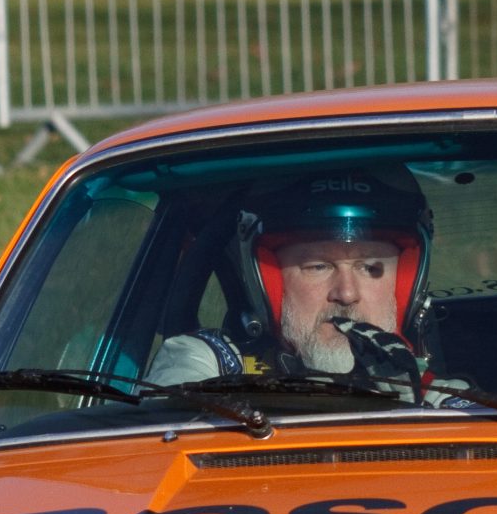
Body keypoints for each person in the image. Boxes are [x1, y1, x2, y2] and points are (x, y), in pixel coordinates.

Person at [144, 168, 437, 396]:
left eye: (370, 267)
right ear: (271, 286)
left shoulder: (435, 394)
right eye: (318, 266)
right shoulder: (207, 364)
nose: (346, 293)